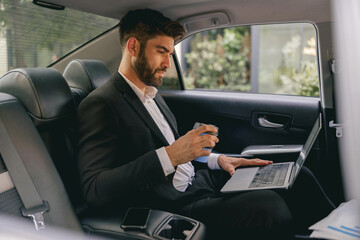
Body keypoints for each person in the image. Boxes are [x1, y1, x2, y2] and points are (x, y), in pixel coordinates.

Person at [77, 8, 334, 239]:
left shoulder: (152, 94)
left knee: (295, 175)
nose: (167, 63)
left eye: (170, 52)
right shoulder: (101, 104)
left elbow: (178, 152)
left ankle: (341, 231)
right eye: (161, 51)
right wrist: (170, 155)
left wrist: (217, 160)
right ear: (133, 47)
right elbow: (95, 190)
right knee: (269, 207)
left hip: (200, 181)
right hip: (172, 204)